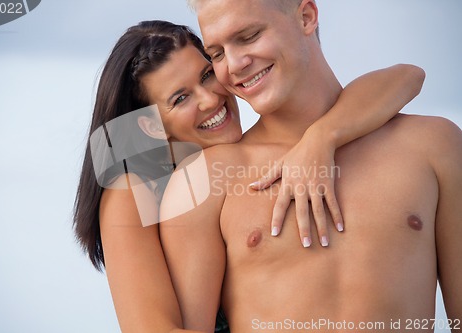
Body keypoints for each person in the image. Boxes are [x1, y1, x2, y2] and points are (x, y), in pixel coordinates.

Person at [73, 20, 426, 333]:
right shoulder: (133, 188)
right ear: (151, 127)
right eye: (181, 98)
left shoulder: (232, 155)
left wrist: (322, 138)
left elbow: (408, 76)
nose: (209, 100)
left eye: (207, 75)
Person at [160, 1, 462, 332]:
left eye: (248, 36)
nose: (233, 65)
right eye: (216, 54)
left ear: (306, 17)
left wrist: (321, 138)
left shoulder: (434, 144)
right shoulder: (202, 180)